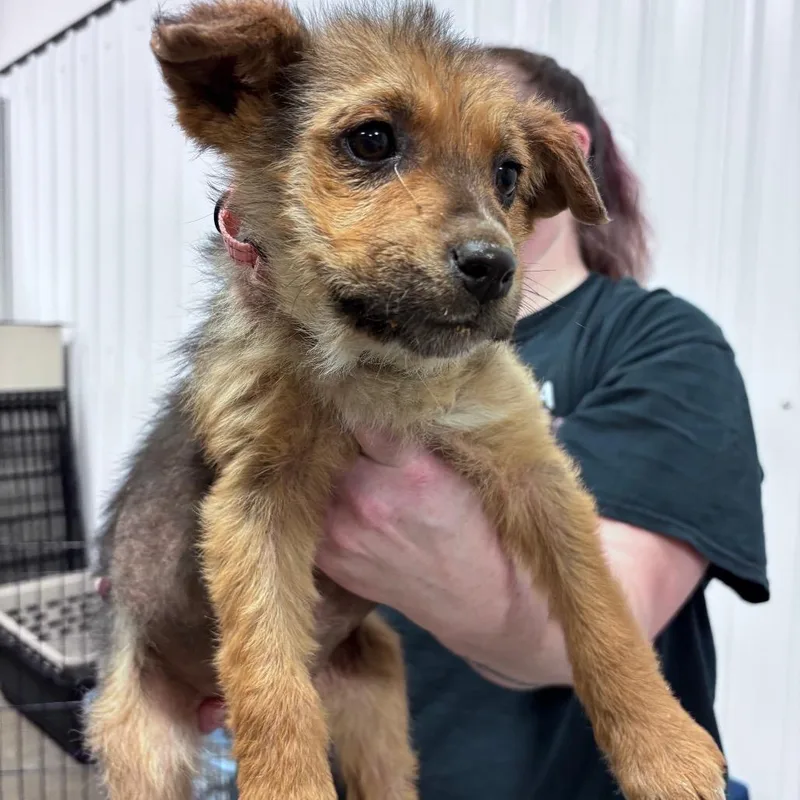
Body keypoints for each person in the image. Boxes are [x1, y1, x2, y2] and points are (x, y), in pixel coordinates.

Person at [191, 48, 767, 798]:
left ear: (566, 160)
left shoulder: (658, 342)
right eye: (381, 145)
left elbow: (600, 612)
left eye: (500, 171)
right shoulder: (340, 320)